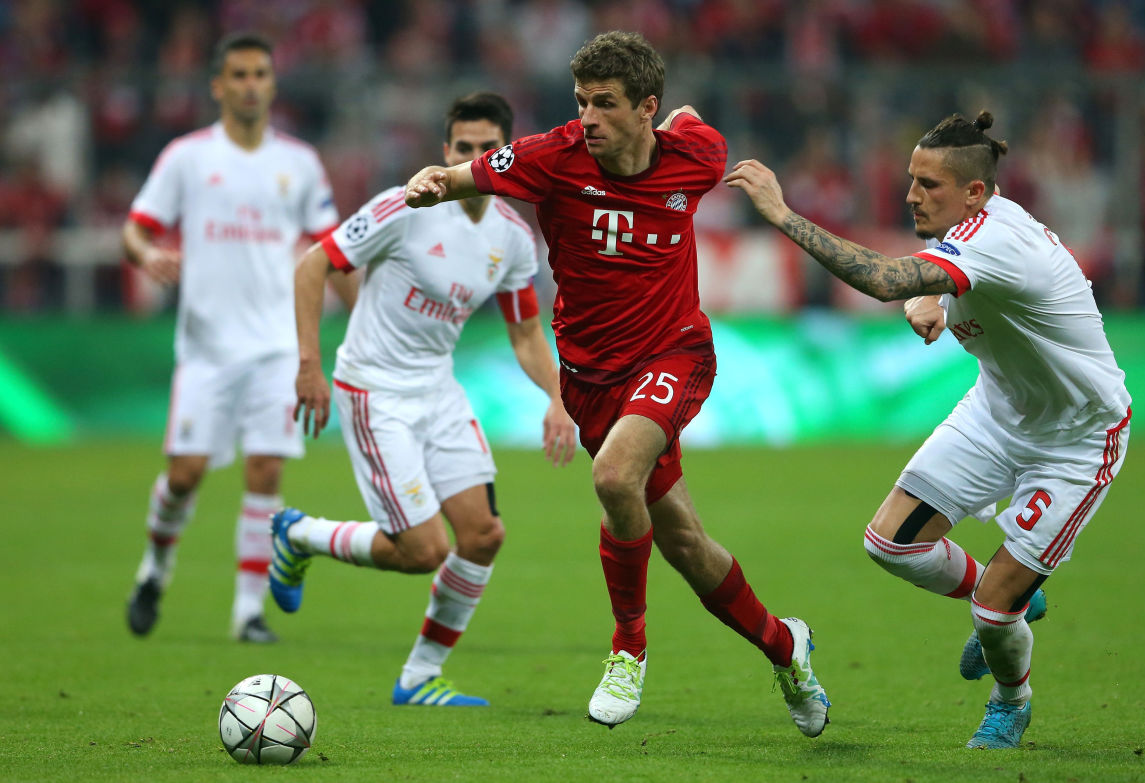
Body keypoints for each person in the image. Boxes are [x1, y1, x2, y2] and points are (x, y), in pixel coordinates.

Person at [402, 31, 831, 735]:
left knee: (612, 477)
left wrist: (682, 122)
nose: (588, 118)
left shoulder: (697, 154)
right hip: (590, 378)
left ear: (645, 108)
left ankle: (628, 648)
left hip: (673, 353)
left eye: (605, 103)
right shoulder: (550, 156)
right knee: (686, 544)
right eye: (582, 102)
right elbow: (458, 177)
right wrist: (429, 183)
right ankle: (787, 646)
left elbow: (693, 123)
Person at [726, 111, 1131, 748]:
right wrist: (938, 297)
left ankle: (1011, 701)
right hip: (996, 413)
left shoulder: (999, 241)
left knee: (992, 615)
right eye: (912, 179)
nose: (911, 194)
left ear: (974, 192)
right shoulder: (979, 224)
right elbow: (956, 273)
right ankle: (1014, 595)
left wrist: (782, 214)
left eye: (929, 185)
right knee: (889, 544)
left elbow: (883, 279)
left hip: (1075, 440)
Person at [269, 92, 577, 706]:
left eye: (487, 147)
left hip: (438, 389)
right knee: (423, 551)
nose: (473, 157)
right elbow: (314, 265)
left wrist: (557, 399)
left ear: (507, 154)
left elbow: (524, 333)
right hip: (375, 389)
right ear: (446, 150)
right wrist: (309, 365)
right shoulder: (405, 206)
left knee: (483, 536)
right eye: (463, 147)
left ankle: (418, 677)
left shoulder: (514, 238)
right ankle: (300, 534)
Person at [123, 32, 344, 643]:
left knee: (266, 470)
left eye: (260, 74)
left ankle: (248, 612)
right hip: (207, 348)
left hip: (277, 346)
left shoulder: (299, 163)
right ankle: (154, 568)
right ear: (218, 86)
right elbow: (136, 229)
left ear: (272, 85)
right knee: (186, 475)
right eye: (239, 75)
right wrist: (147, 254)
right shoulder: (187, 157)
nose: (250, 85)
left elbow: (332, 249)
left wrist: (363, 316)